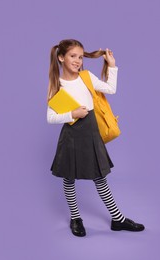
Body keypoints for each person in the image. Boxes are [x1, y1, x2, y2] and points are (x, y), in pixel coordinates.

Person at [47, 39, 145, 237]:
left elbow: (111, 89)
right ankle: (76, 218)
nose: (77, 60)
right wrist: (72, 114)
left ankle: (117, 219)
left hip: (91, 132)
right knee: (69, 177)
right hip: (72, 135)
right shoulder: (57, 84)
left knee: (99, 177)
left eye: (80, 57)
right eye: (72, 56)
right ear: (61, 57)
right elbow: (50, 117)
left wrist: (112, 65)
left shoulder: (86, 77)